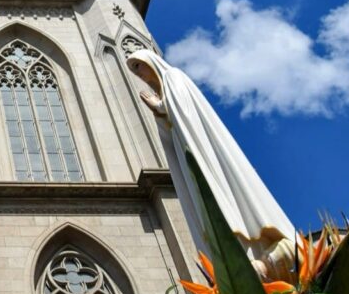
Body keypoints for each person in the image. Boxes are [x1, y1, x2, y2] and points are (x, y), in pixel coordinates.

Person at [126, 50, 295, 280]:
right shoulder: (162, 92)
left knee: (221, 201)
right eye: (134, 69)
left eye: (139, 65)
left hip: (203, 155)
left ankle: (250, 255)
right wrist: (161, 112)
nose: (139, 74)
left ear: (151, 61)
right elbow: (173, 127)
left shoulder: (174, 77)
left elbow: (185, 114)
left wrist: (161, 107)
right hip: (189, 159)